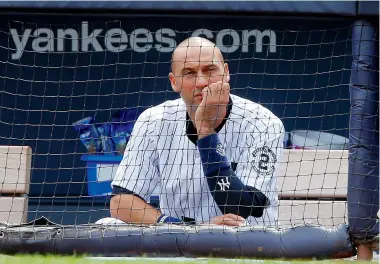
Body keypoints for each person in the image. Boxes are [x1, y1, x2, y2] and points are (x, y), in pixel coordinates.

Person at [110, 37, 284, 227]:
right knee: (108, 224)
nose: (201, 82)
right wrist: (188, 230)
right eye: (189, 73)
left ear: (226, 73)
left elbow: (242, 208)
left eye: (210, 70)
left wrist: (205, 130)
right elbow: (121, 202)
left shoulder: (263, 122)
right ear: (174, 82)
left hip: (246, 244)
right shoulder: (153, 120)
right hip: (178, 243)